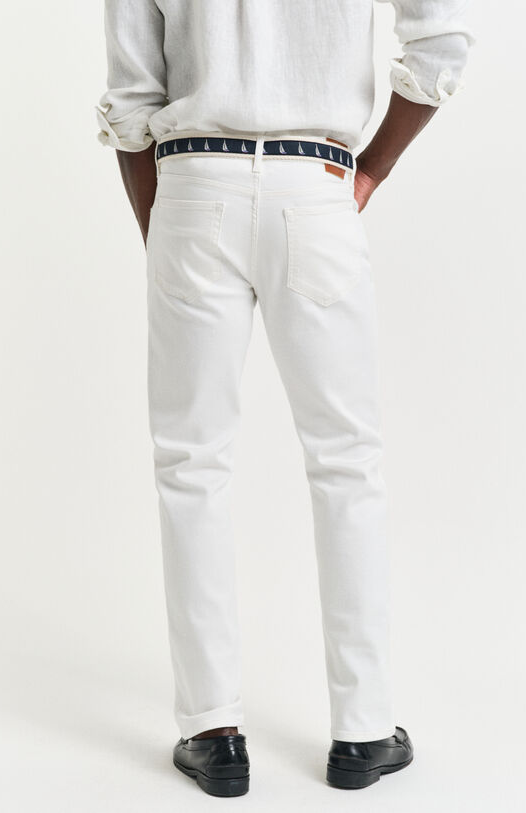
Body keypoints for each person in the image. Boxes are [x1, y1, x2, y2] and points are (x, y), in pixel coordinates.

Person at [96, 0, 473, 798]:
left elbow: (132, 105)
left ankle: (212, 730)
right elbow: (439, 44)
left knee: (191, 466)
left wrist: (166, 236)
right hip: (318, 181)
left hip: (192, 183)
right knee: (347, 463)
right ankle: (363, 729)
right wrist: (373, 169)